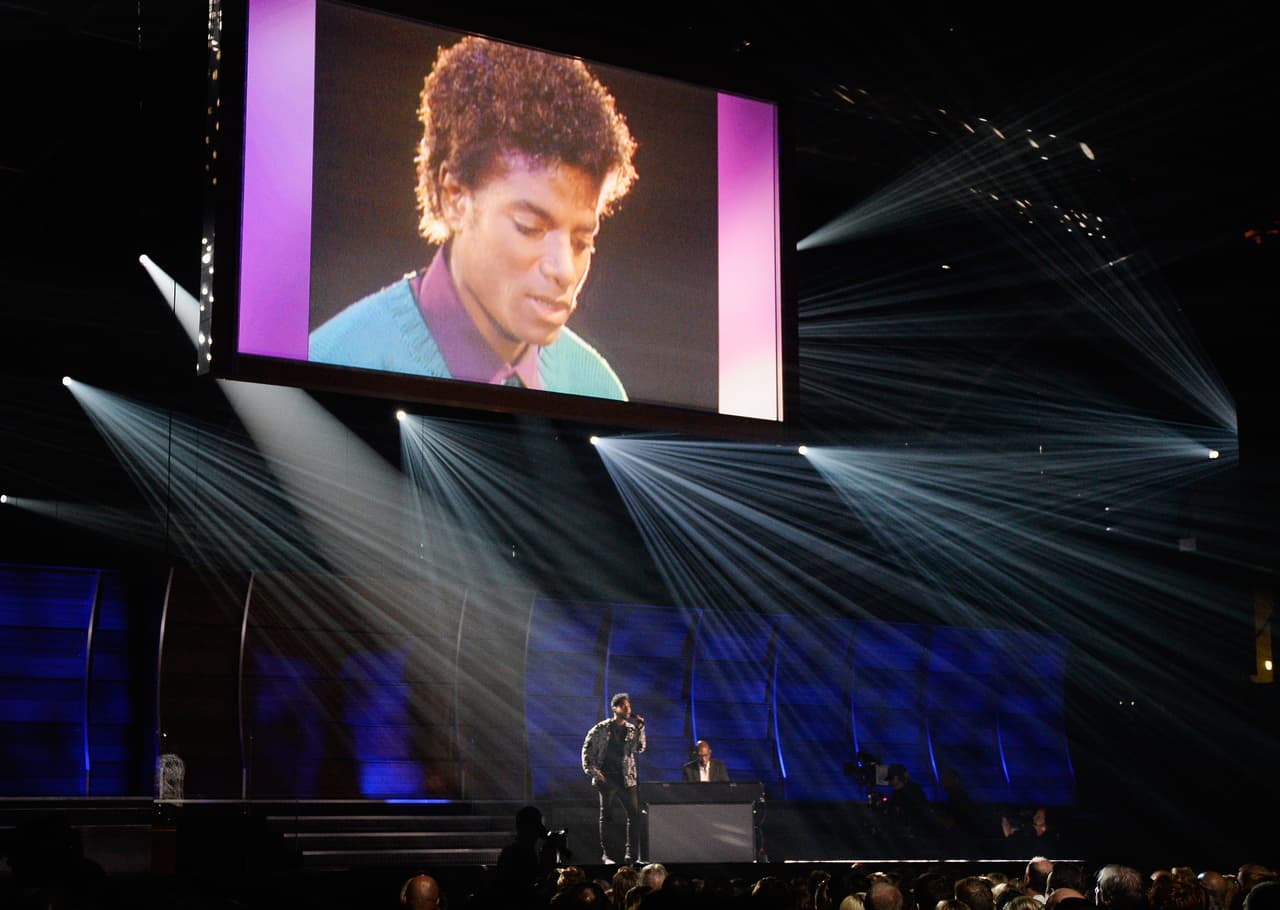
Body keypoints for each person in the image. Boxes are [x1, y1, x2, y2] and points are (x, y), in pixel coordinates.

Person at [310, 35, 637, 399]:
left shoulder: (598, 388)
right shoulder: (333, 361)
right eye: (529, 228)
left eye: (582, 242)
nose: (564, 270)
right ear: (454, 198)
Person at [582, 693, 646, 863]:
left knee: (634, 815)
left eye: (629, 706)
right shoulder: (600, 729)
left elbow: (639, 748)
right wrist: (595, 773)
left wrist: (640, 729)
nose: (628, 709)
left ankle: (632, 855)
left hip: (627, 779)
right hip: (607, 778)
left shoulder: (632, 729)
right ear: (615, 708)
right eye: (624, 706)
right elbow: (587, 751)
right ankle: (608, 855)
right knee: (607, 816)